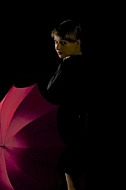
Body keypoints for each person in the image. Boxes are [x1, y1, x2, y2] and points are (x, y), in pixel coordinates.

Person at [38, 19, 91, 190]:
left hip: (70, 132)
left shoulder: (72, 67)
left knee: (70, 176)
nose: (57, 47)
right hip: (73, 131)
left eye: (63, 42)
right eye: (55, 42)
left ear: (78, 43)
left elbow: (53, 94)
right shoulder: (70, 64)